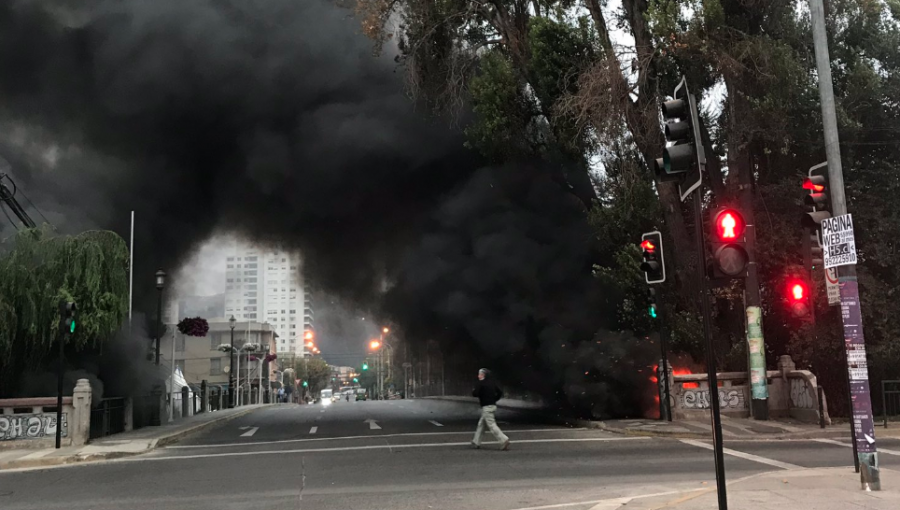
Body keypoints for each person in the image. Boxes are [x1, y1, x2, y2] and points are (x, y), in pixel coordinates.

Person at [471, 368, 510, 450]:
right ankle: (476, 441)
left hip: (486, 407)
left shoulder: (481, 383)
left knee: (492, 425)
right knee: (481, 424)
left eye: (479, 374)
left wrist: (474, 390)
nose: (478, 376)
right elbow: (499, 392)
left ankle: (503, 440)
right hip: (492, 405)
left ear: (483, 375)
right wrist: (494, 399)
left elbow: (475, 393)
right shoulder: (492, 383)